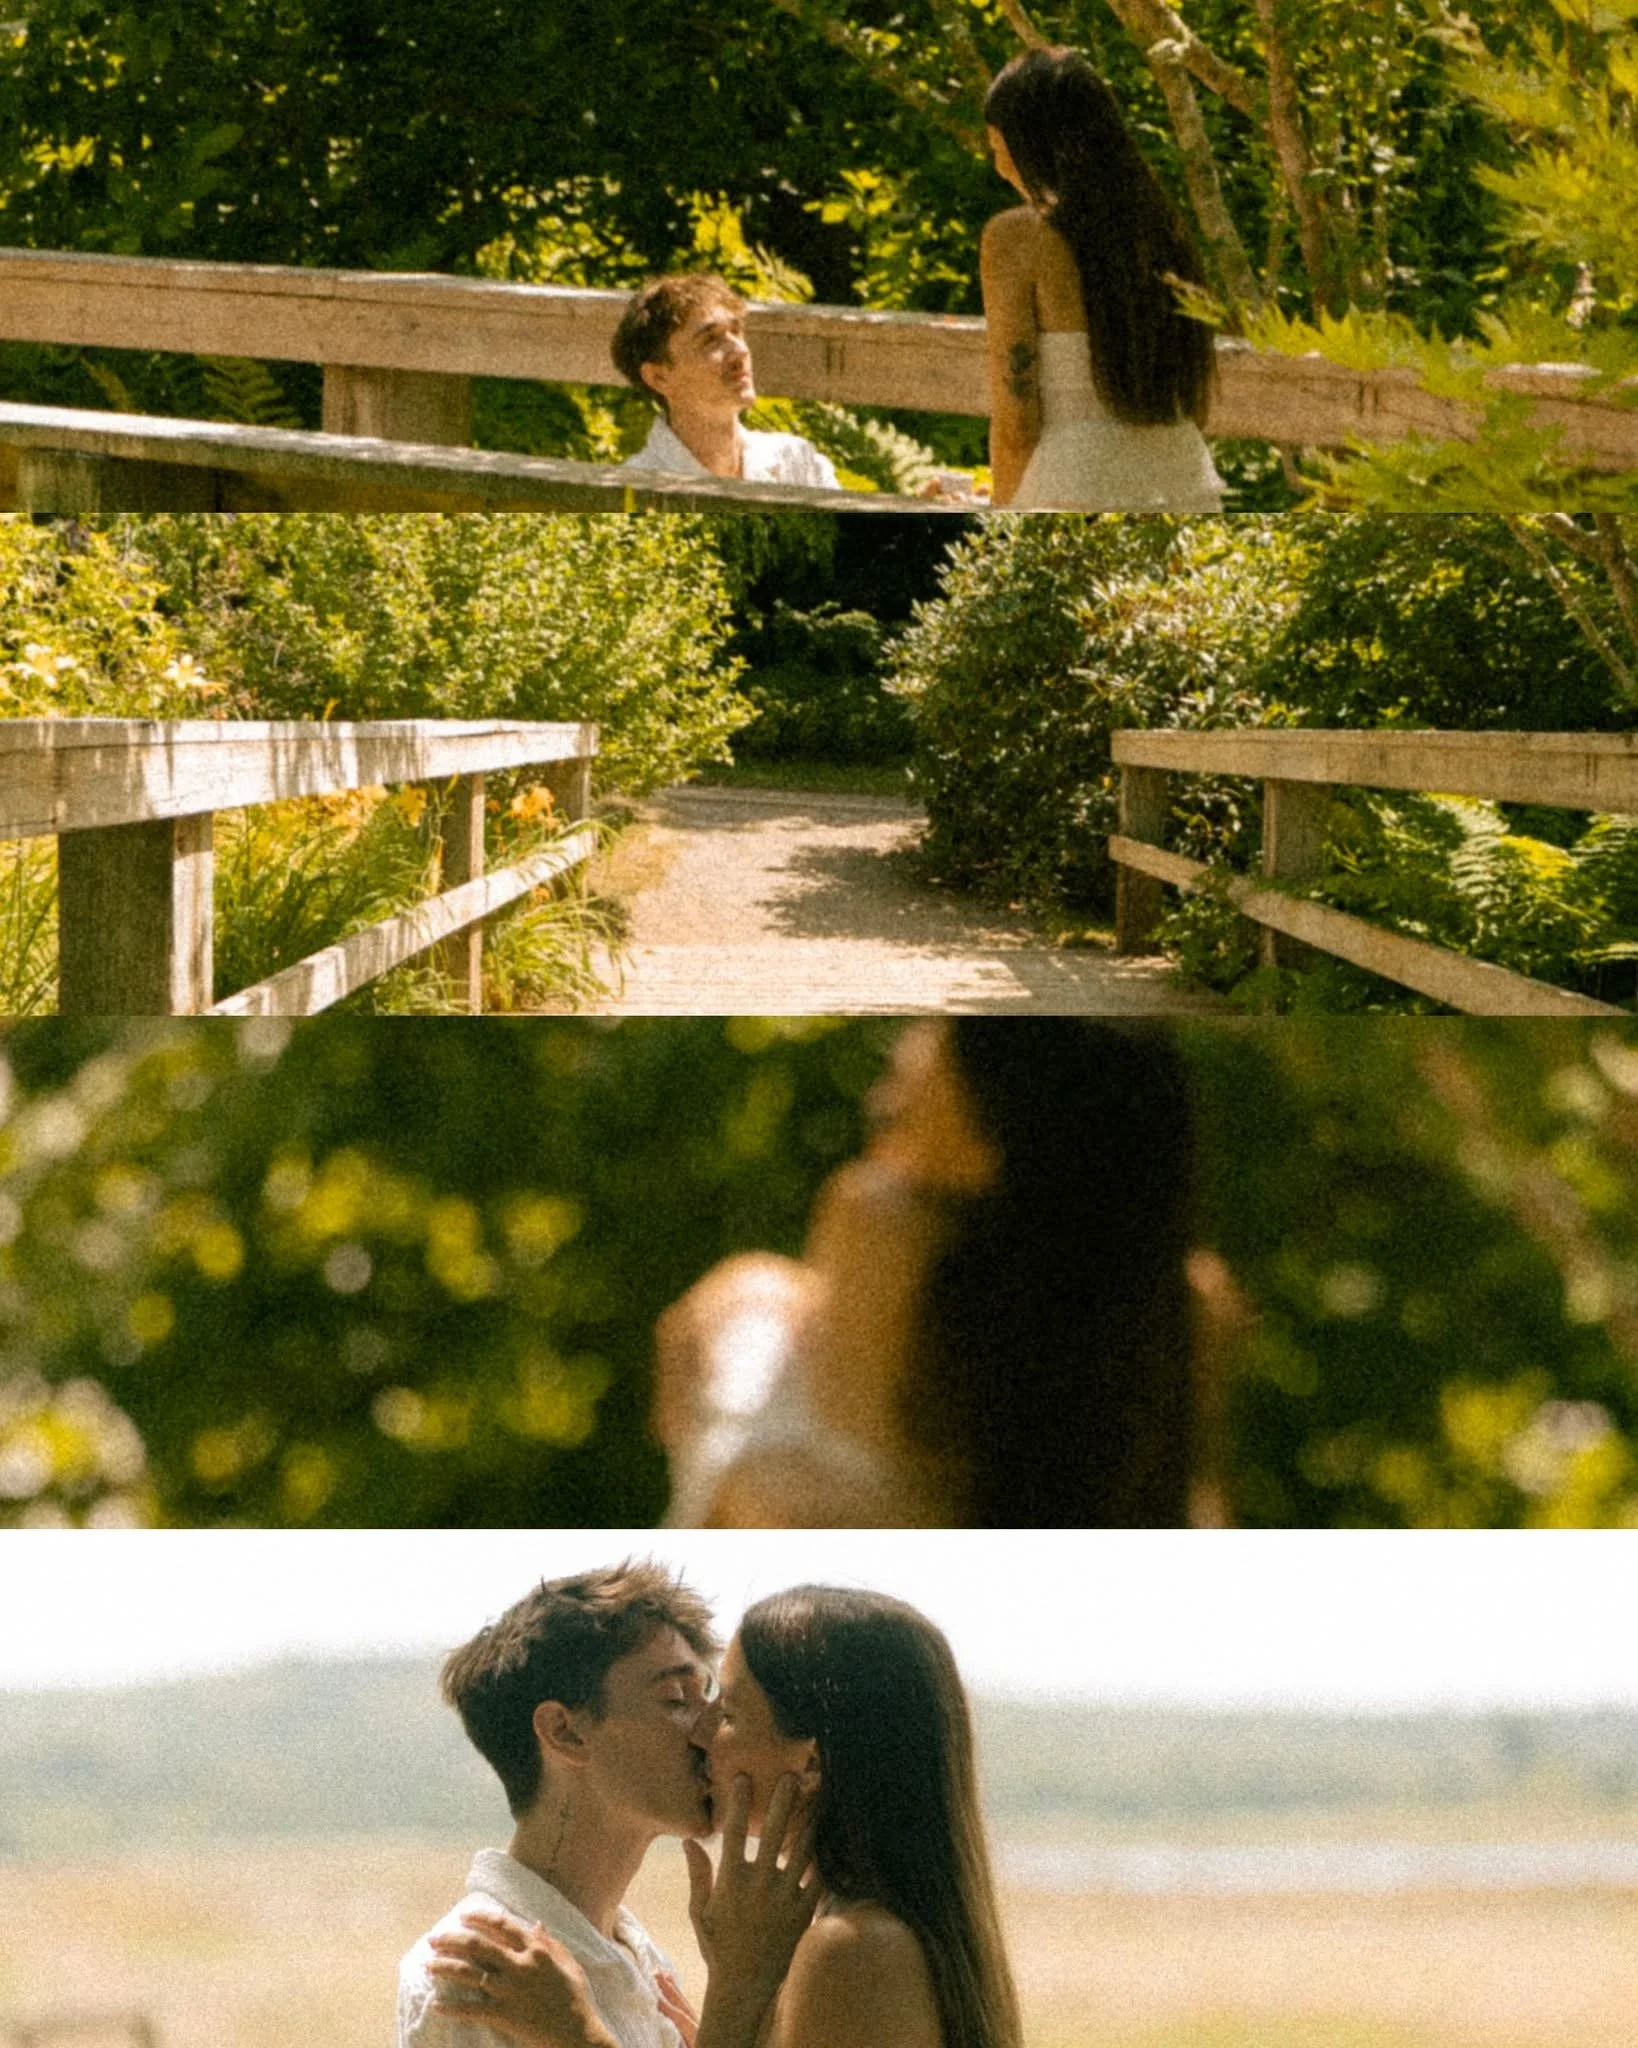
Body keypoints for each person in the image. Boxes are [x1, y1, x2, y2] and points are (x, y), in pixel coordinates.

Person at [653, 1018, 1199, 1529]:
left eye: (899, 1114)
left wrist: (746, 1327)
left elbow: (766, 1505)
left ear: (994, 1143)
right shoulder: (1165, 1311)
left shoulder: (876, 1217)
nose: (875, 1111)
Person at [431, 1585, 1022, 2048]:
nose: (703, 1732)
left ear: (811, 1762)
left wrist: (577, 2035)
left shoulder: (853, 1951)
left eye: (729, 1711)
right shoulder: (849, 1932)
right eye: (678, 1701)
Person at [398, 1561, 721, 2048]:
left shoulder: (640, 1957)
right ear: (565, 1732)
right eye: (676, 1698)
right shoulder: (473, 1972)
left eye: (708, 1694)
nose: (712, 1729)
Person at [979, 46, 1225, 512]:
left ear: (1030, 143)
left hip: (1072, 487)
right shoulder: (1166, 235)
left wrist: (1003, 519)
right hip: (1184, 481)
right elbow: (1196, 405)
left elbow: (1017, 425)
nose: (999, 166)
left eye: (998, 146)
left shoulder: (1017, 239)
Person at [612, 274, 840, 490]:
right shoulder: (634, 489)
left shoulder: (797, 462)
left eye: (737, 331)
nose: (740, 351)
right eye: (710, 340)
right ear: (659, 377)